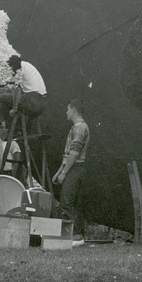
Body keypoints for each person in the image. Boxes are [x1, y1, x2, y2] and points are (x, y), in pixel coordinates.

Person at [53, 98, 90, 246]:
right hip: (74, 167)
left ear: (74, 109)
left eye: (68, 109)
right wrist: (59, 171)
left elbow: (74, 153)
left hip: (76, 168)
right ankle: (78, 236)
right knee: (73, 202)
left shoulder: (80, 128)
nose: (66, 112)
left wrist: (64, 173)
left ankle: (76, 236)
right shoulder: (77, 127)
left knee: (67, 202)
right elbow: (68, 155)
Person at [0, 60, 47, 135]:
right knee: (17, 100)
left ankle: (14, 130)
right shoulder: (26, 65)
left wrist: (14, 109)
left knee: (2, 97)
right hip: (42, 103)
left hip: (33, 102)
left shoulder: (18, 69)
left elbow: (17, 90)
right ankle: (21, 130)